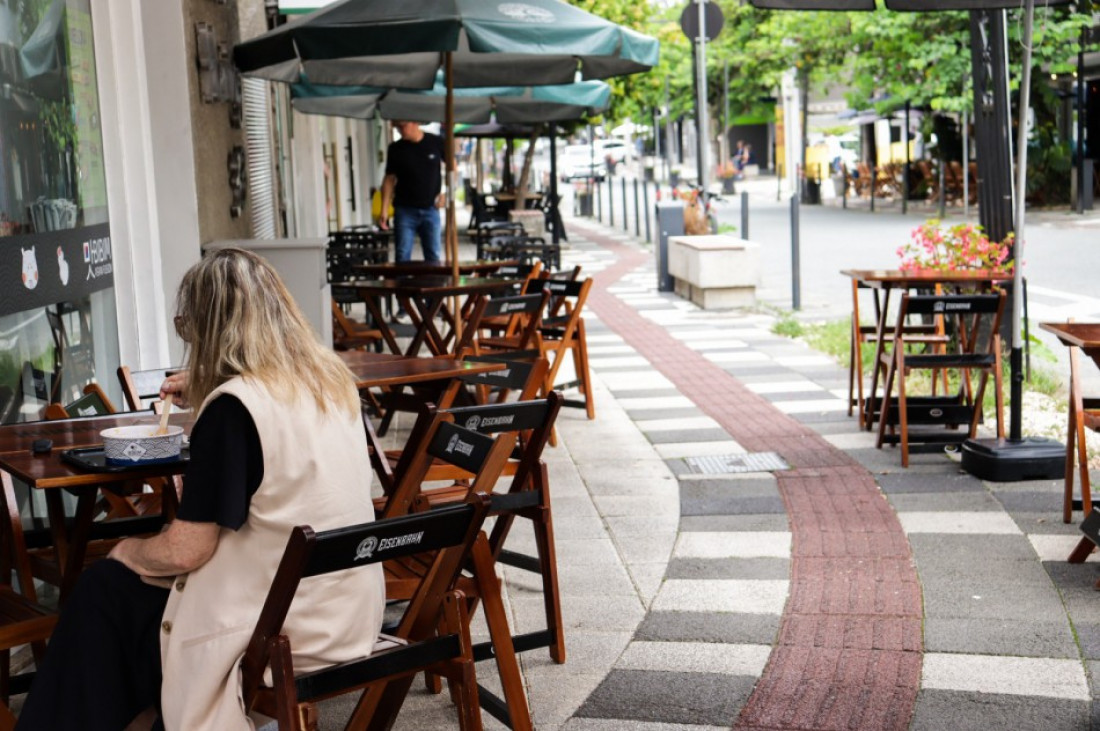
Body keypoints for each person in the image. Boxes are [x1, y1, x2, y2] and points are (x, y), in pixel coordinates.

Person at [17, 249, 385, 730]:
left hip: (279, 626)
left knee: (103, 589)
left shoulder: (234, 411)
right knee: (123, 608)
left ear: (211, 329)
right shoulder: (333, 385)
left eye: (188, 325)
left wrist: (126, 550)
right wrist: (216, 385)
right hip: (346, 610)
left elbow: (187, 550)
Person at [378, 120, 445, 264]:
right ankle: (403, 285)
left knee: (433, 255)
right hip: (405, 210)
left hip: (430, 208)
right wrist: (384, 209)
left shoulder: (435, 142)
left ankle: (433, 285)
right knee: (402, 255)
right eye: (398, 127)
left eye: (403, 126)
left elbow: (452, 166)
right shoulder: (396, 149)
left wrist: (447, 192)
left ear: (415, 122)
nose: (401, 130)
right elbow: (389, 179)